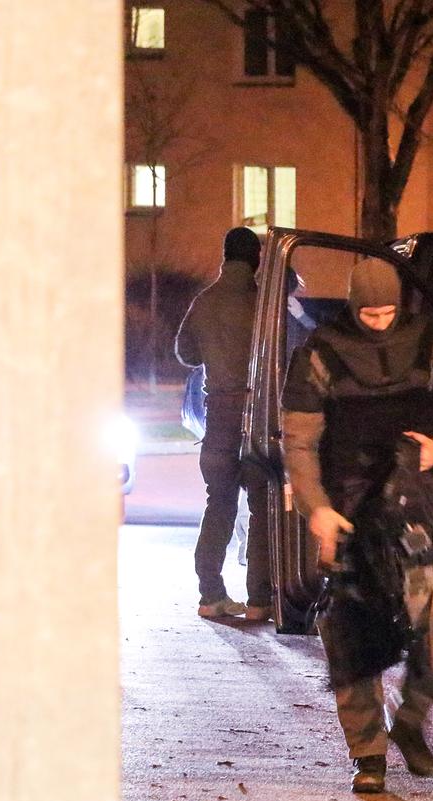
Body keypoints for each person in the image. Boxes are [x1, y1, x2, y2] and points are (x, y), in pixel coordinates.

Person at [281, 258, 433, 794]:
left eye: (387, 311)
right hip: (346, 509)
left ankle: (410, 720)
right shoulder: (320, 353)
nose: (378, 320)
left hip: (417, 509)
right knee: (350, 637)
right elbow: (298, 441)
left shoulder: (430, 345)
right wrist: (316, 506)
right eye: (368, 312)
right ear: (352, 306)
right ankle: (368, 754)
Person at [174, 227, 273, 620]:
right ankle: (260, 600)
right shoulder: (262, 306)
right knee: (261, 504)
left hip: (218, 417)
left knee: (219, 504)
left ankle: (210, 594)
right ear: (256, 260)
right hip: (255, 417)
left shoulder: (205, 300)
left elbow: (185, 352)